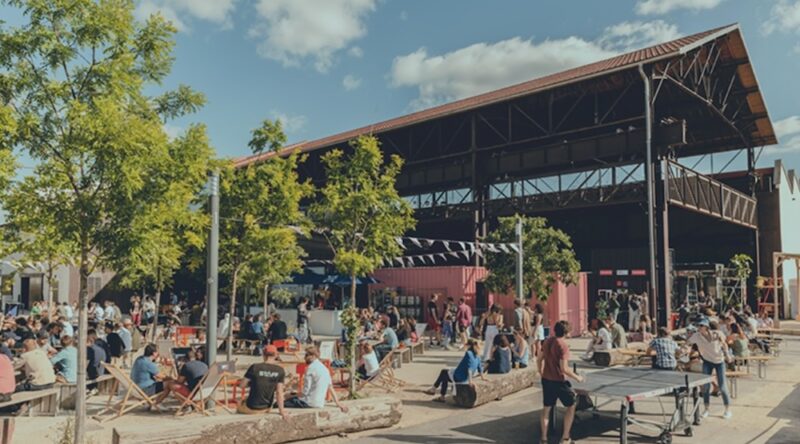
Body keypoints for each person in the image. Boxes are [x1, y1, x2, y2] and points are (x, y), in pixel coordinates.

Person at [538, 320, 584, 444]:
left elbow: (539, 358)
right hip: (559, 381)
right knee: (571, 405)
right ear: (567, 332)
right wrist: (577, 377)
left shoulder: (547, 341)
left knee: (546, 409)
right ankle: (565, 437)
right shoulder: (563, 346)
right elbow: (564, 369)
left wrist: (540, 371)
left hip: (546, 380)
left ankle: (543, 438)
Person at [688, 318, 732, 419]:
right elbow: (688, 343)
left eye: (701, 326)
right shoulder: (696, 336)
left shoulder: (717, 334)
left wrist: (727, 355)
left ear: (706, 327)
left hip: (719, 361)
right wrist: (683, 349)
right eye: (698, 325)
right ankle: (706, 409)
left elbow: (724, 344)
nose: (699, 327)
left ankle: (727, 410)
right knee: (706, 387)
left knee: (722, 386)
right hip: (707, 361)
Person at [285, 346, 347, 411]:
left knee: (281, 403)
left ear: (313, 356)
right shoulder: (325, 369)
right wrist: (337, 403)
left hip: (308, 402)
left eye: (306, 355)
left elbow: (305, 392)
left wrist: (291, 395)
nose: (304, 357)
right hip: (320, 403)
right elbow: (330, 387)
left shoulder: (310, 368)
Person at [237, 345, 289, 418]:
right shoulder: (280, 370)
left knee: (240, 401)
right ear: (276, 355)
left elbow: (242, 385)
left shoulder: (255, 367)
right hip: (267, 407)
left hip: (251, 408)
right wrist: (282, 411)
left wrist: (252, 383)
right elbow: (279, 392)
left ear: (263, 354)